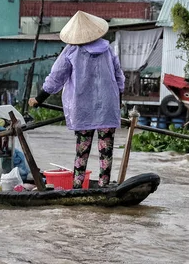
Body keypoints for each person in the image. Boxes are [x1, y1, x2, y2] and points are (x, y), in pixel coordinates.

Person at [28, 11, 125, 188]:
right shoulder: (107, 49)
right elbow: (119, 78)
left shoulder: (72, 51)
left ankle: (78, 186)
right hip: (108, 108)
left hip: (83, 109)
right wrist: (118, 102)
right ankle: (104, 185)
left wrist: (39, 98)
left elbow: (56, 77)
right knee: (106, 151)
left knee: (82, 150)